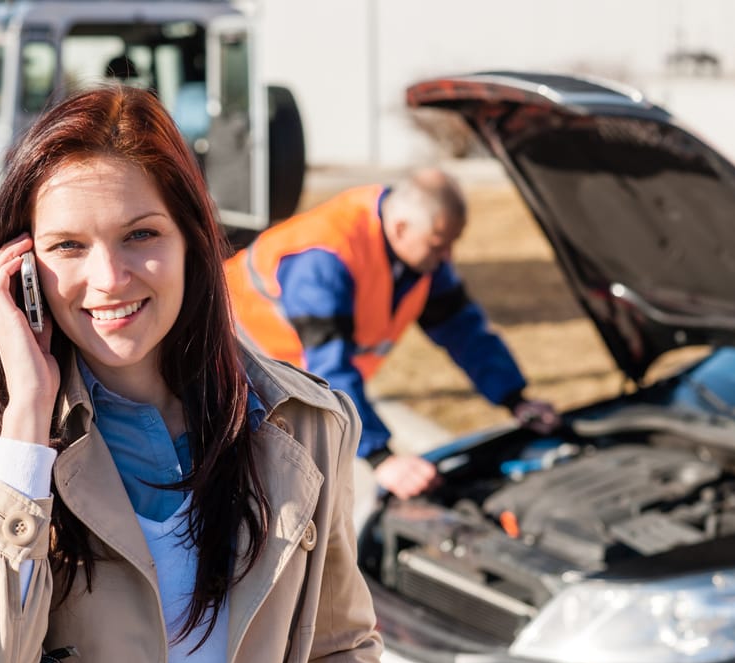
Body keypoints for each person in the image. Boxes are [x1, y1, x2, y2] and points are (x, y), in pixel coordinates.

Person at [0, 84, 382, 663]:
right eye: (68, 246)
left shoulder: (303, 423)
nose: (108, 278)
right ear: (23, 268)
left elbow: (340, 645)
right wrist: (25, 425)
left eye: (141, 235)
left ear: (191, 241)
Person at [225, 168, 559, 501]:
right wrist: (380, 457)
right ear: (400, 229)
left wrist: (516, 398)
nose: (448, 257)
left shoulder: (422, 254)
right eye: (440, 245)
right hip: (231, 365)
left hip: (291, 378)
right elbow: (327, 369)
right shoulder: (326, 258)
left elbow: (465, 332)